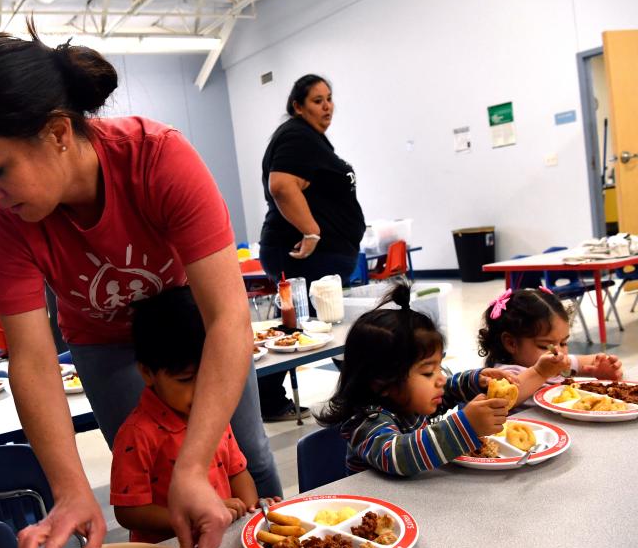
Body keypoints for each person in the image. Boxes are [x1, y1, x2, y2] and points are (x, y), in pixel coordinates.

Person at [0, 25, 281, 548]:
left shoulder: (156, 158)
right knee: (158, 478)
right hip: (103, 342)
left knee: (245, 456)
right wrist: (70, 490)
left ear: (58, 134)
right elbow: (33, 359)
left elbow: (229, 317)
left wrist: (194, 463)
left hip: (190, 326)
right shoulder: (3, 223)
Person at [317, 284, 569, 476]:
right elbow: (399, 455)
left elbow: (447, 389)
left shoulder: (409, 399)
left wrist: (476, 380)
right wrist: (465, 426)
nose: (439, 379)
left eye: (440, 367)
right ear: (381, 382)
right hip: (380, 513)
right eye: (428, 372)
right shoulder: (366, 423)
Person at [111, 287, 279, 542]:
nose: (204, 391)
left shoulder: (214, 413)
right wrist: (192, 519)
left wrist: (251, 511)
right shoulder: (137, 434)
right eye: (186, 379)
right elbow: (128, 511)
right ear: (147, 373)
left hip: (222, 540)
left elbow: (237, 472)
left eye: (213, 374)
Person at [256, 74, 366, 422]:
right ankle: (359, 397)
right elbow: (282, 185)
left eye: (329, 98)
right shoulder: (296, 135)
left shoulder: (311, 140)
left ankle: (358, 394)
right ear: (297, 106)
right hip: (306, 254)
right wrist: (313, 231)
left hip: (318, 256)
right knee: (300, 324)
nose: (327, 105)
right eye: (317, 100)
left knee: (303, 324)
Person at [478, 287, 623, 404]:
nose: (558, 352)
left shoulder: (556, 362)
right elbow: (505, 398)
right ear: (511, 343)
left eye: (563, 342)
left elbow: (591, 361)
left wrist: (600, 368)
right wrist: (540, 373)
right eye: (545, 346)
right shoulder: (505, 374)